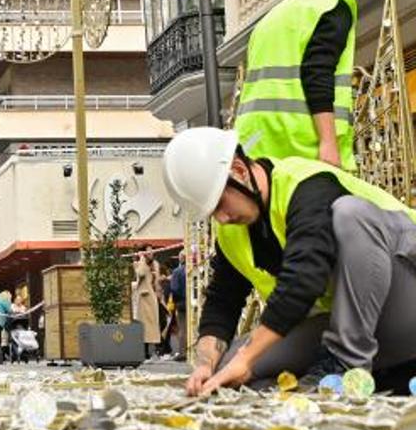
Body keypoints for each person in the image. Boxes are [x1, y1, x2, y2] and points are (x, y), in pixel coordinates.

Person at [163, 128, 416, 396]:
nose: (222, 218)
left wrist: (246, 358)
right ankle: (360, 378)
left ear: (238, 170)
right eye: (212, 213)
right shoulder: (232, 232)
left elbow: (304, 278)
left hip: (405, 299)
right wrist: (206, 364)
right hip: (353, 326)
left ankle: (345, 365)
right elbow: (222, 301)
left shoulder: (306, 185)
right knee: (229, 372)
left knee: (349, 213)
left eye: (220, 203)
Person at [236, 0, 357, 170]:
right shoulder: (332, 6)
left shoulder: (267, 22)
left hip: (255, 144)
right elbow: (317, 73)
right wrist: (328, 142)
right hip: (304, 146)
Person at [133, 246, 162, 359]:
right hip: (144, 297)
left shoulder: (155, 264)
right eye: (148, 250)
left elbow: (157, 279)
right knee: (145, 324)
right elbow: (140, 273)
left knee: (155, 322)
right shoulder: (139, 263)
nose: (151, 253)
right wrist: (141, 260)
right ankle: (146, 351)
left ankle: (157, 349)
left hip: (153, 296)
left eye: (152, 250)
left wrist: (159, 293)